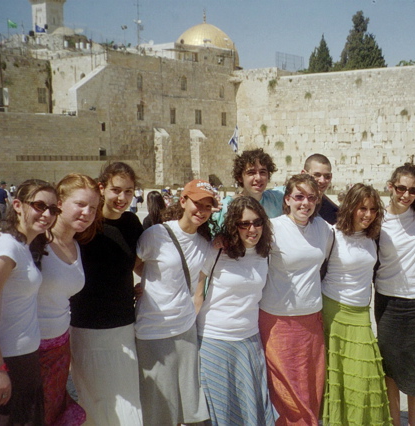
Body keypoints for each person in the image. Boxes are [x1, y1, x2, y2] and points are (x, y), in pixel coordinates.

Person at [135, 179, 217, 424]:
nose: (201, 211)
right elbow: (137, 265)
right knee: (158, 403)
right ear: (183, 201)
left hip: (184, 328)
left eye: (207, 207)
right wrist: (146, 285)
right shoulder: (155, 235)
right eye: (197, 204)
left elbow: (198, 285)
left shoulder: (205, 244)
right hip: (153, 328)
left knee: (189, 402)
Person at [0, 179, 59, 424]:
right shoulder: (7, 248)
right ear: (18, 205)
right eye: (39, 206)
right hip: (5, 361)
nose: (47, 214)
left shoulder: (22, 246)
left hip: (23, 360)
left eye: (53, 209)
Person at [69, 162, 144, 425]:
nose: (122, 198)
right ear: (102, 188)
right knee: (98, 401)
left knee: (128, 398)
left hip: (124, 326)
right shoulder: (83, 224)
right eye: (116, 190)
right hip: (87, 329)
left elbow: (138, 264)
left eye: (129, 191)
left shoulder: (132, 223)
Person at [259, 174, 333, 424]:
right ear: (287, 199)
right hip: (277, 322)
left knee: (310, 386)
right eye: (299, 197)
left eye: (311, 197)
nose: (305, 203)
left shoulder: (323, 229)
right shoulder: (272, 228)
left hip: (311, 321)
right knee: (283, 391)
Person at [194, 196, 275, 425]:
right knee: (219, 409)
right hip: (214, 340)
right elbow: (197, 293)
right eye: (244, 224)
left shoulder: (265, 253)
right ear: (234, 226)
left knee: (249, 407)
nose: (252, 229)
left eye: (257, 222)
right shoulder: (217, 250)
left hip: (249, 341)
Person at [321, 183, 391, 424]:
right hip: (334, 312)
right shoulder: (332, 234)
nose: (368, 214)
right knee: (338, 379)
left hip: (361, 315)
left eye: (373, 209)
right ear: (350, 207)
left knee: (364, 378)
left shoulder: (374, 237)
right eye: (362, 208)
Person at [374, 163, 415, 426]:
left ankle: (414, 422)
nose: (405, 195)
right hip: (388, 299)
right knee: (391, 367)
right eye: (401, 188)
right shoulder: (377, 219)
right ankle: (394, 422)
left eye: (412, 190)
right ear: (391, 187)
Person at [37, 173, 99, 425]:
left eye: (93, 208)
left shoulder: (77, 246)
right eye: (80, 204)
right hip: (29, 349)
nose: (86, 212)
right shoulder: (35, 242)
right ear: (60, 202)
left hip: (60, 348)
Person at [213, 148, 283, 227]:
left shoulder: (278, 199)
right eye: (251, 173)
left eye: (262, 172)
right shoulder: (226, 207)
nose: (258, 178)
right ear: (240, 177)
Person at [302, 153, 338, 224]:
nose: (322, 181)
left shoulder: (334, 213)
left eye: (327, 176)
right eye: (317, 175)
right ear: (303, 174)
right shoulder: (283, 200)